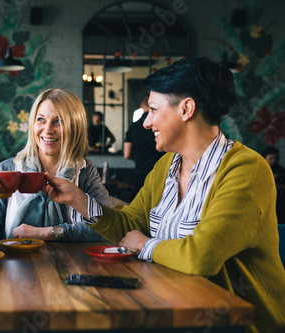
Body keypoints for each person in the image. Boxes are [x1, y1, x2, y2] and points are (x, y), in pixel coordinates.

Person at [43, 58, 285, 333]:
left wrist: (145, 244)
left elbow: (201, 257)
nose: (146, 123)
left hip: (235, 324)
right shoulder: (167, 165)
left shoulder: (246, 170)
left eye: (153, 110)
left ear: (186, 109)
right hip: (170, 308)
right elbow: (128, 227)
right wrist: (78, 199)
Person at [0, 89, 112, 242]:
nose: (48, 130)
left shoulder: (85, 171)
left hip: (69, 265)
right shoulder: (7, 169)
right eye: (41, 119)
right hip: (13, 264)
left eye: (59, 121)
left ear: (75, 127)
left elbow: (108, 227)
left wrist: (50, 232)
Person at [124, 93, 165, 198]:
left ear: (141, 106)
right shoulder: (161, 124)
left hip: (140, 172)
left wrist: (140, 157)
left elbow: (127, 154)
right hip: (162, 172)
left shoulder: (134, 127)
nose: (147, 124)